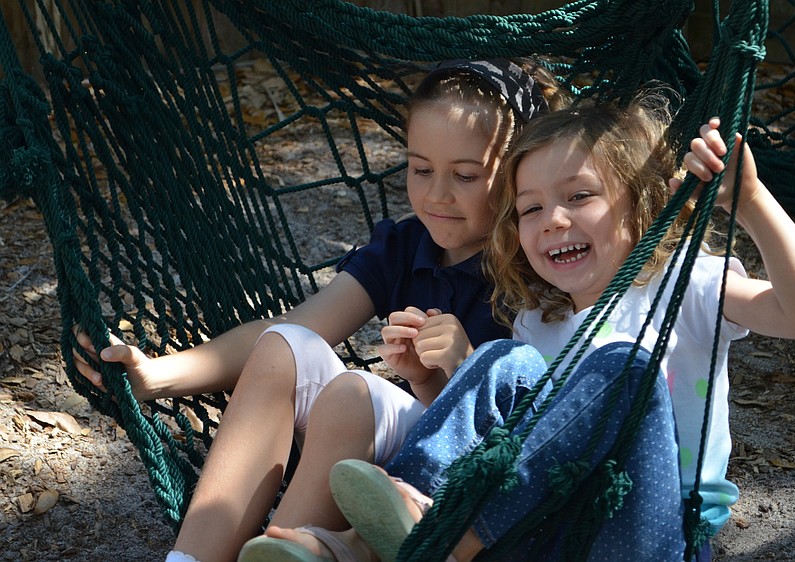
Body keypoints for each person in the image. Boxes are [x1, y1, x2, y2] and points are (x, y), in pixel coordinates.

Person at [73, 58, 568, 562]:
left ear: (516, 176)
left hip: (467, 488)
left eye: (465, 175)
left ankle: (283, 550)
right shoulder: (404, 247)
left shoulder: (539, 266)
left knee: (354, 392)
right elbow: (293, 328)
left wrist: (462, 367)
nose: (437, 194)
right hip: (381, 468)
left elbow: (541, 428)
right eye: (420, 169)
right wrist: (156, 377)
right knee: (285, 345)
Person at [322, 98, 795, 561]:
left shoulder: (685, 287)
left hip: (648, 527)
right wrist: (432, 379)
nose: (552, 219)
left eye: (578, 197)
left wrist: (749, 201)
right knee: (501, 359)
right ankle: (375, 538)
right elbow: (515, 444)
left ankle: (447, 538)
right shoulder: (534, 323)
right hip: (540, 529)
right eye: (531, 208)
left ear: (642, 205)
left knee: (623, 366)